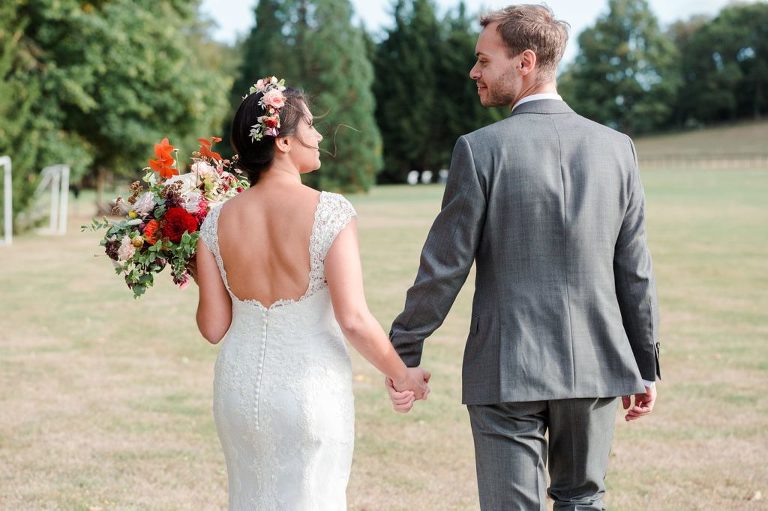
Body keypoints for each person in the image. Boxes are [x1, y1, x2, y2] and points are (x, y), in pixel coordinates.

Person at [386, 5, 661, 510]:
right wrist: (645, 365)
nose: (474, 72)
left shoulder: (480, 149)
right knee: (582, 501)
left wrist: (403, 350)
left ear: (525, 62)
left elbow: (444, 266)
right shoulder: (617, 148)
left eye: (483, 60)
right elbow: (635, 271)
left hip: (506, 367)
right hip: (595, 365)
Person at [193, 77, 429, 510]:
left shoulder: (214, 222)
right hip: (308, 391)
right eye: (310, 126)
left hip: (238, 393)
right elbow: (353, 319)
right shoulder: (330, 211)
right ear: (283, 141)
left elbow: (213, 327)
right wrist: (402, 374)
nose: (319, 136)